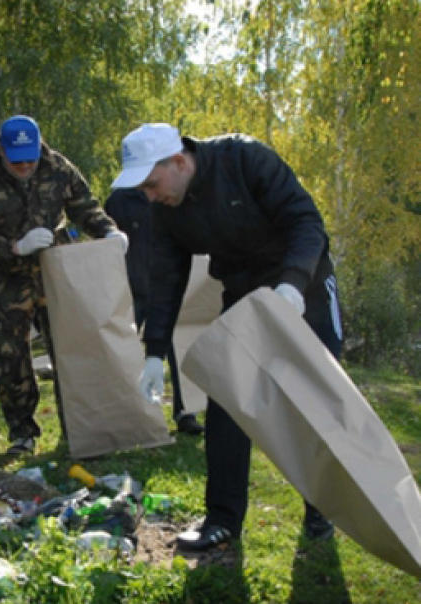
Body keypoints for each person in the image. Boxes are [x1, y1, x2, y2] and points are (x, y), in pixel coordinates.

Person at [111, 123, 343, 551]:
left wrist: (291, 284)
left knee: (316, 400)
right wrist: (154, 354)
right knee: (227, 400)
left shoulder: (245, 159)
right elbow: (166, 279)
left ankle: (321, 505)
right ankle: (222, 519)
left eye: (152, 183)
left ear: (179, 162)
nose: (148, 196)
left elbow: (306, 222)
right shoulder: (167, 206)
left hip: (305, 285)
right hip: (243, 292)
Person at [0, 114, 128, 455]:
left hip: (56, 271)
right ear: (1, 152)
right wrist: (13, 247)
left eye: (30, 159)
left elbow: (85, 206)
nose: (25, 167)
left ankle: (79, 427)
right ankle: (22, 433)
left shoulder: (58, 167)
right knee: (11, 358)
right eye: (17, 161)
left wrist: (108, 232)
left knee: (72, 351)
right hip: (9, 280)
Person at [104, 187, 204, 436]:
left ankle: (185, 411)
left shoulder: (176, 193)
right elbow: (102, 240)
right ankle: (124, 413)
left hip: (171, 287)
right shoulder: (120, 200)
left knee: (179, 347)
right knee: (122, 350)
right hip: (131, 288)